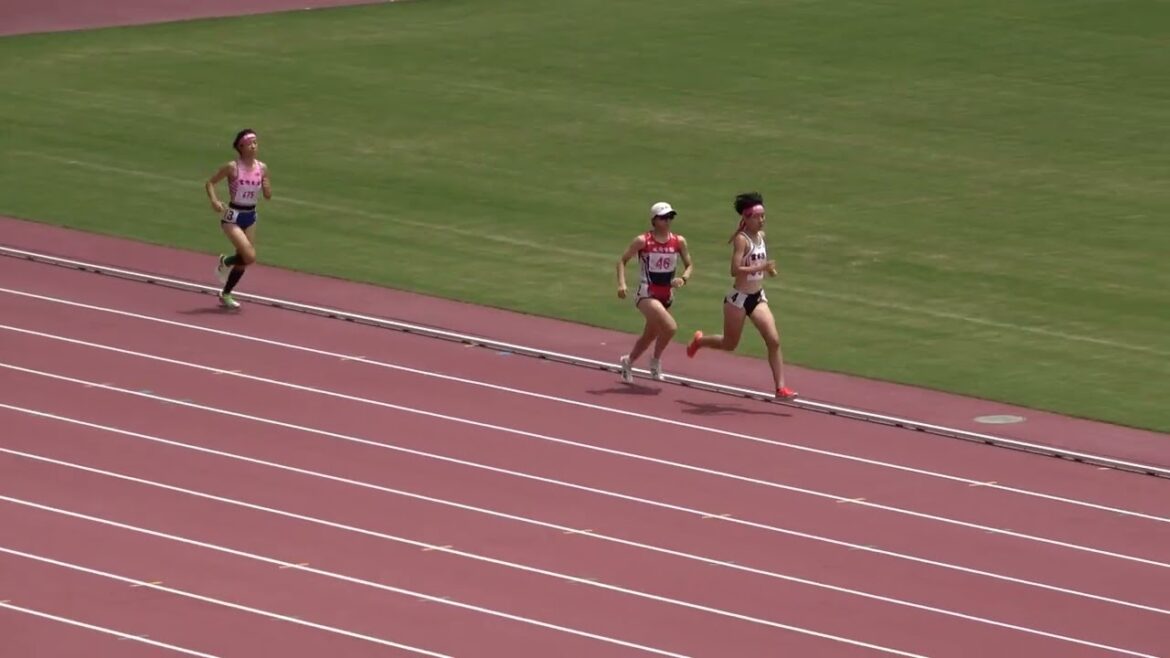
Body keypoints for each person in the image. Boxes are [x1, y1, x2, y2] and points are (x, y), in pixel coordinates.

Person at [685, 192, 797, 400]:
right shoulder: (741, 240)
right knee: (729, 344)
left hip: (757, 298)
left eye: (763, 216)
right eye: (757, 216)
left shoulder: (761, 237)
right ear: (746, 218)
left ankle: (780, 388)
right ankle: (700, 342)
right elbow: (734, 270)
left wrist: (768, 270)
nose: (762, 220)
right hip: (738, 300)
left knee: (773, 340)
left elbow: (760, 261)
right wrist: (761, 267)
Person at [615, 201, 694, 383]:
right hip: (646, 293)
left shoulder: (678, 241)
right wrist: (622, 284)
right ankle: (655, 361)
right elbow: (622, 261)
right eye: (663, 217)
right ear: (654, 220)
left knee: (650, 335)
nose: (668, 220)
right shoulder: (643, 241)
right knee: (670, 327)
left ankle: (628, 361)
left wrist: (683, 278)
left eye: (670, 217)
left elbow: (689, 265)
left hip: (667, 295)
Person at [205, 129, 271, 309]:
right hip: (233, 216)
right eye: (250, 143)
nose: (254, 146)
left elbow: (268, 195)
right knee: (249, 256)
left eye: (255, 142)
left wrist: (267, 188)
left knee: (244, 261)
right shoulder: (232, 167)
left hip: (250, 216)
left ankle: (226, 293)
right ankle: (226, 262)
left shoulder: (262, 168)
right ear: (241, 147)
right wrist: (214, 201)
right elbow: (210, 183)